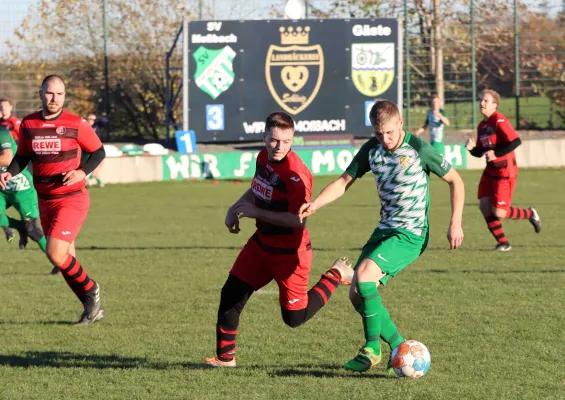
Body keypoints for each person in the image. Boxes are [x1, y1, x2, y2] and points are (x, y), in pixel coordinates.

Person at [299, 100, 465, 373]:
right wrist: (316, 204)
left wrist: (455, 223)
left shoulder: (420, 150)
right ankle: (400, 347)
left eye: (389, 132)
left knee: (363, 277)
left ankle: (371, 349)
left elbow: (455, 180)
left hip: (411, 234)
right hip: (384, 229)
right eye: (378, 134)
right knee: (356, 295)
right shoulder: (371, 150)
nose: (385, 139)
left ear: (400, 123)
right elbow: (343, 182)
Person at [204, 111, 354, 368]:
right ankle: (224, 358)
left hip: (290, 254)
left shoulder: (296, 175)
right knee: (231, 294)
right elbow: (256, 188)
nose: (279, 147)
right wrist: (235, 207)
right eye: (274, 140)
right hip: (261, 245)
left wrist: (257, 212)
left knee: (294, 319)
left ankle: (336, 274)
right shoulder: (263, 157)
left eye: (286, 141)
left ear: (293, 139)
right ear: (264, 137)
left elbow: (299, 221)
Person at [0, 75, 106, 324]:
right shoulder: (28, 124)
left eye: (59, 94)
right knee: (60, 256)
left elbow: (98, 151)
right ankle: (92, 309)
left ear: (64, 95)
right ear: (40, 94)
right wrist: (9, 172)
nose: (54, 99)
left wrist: (81, 171)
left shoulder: (76, 123)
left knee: (56, 252)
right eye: (49, 93)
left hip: (72, 198)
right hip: (45, 200)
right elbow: (22, 156)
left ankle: (92, 291)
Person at [465, 90, 541, 252]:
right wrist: (472, 149)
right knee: (485, 206)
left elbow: (515, 141)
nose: (482, 103)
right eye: (481, 100)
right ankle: (503, 243)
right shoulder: (482, 125)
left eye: (486, 101)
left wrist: (497, 153)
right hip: (490, 171)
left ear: (495, 105)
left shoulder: (499, 120)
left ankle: (530, 213)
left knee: (499, 212)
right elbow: (482, 152)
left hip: (504, 172)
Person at [0, 125, 59, 274]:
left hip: (22, 188)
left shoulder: (2, 132)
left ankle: (59, 261)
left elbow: (7, 159)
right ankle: (19, 227)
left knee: (32, 230)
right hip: (3, 189)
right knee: (24, 227)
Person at [0, 98, 22, 242]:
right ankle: (10, 227)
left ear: (11, 107)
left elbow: (23, 141)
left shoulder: (15, 123)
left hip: (15, 164)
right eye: (1, 107)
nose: (3, 110)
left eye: (4, 107)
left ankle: (25, 226)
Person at [83, 113, 105, 188]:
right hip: (89, 149)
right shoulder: (84, 127)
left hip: (97, 148)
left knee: (99, 164)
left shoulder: (96, 127)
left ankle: (91, 178)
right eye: (90, 119)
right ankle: (90, 179)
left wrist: (97, 118)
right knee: (92, 164)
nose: (91, 121)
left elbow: (105, 121)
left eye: (93, 120)